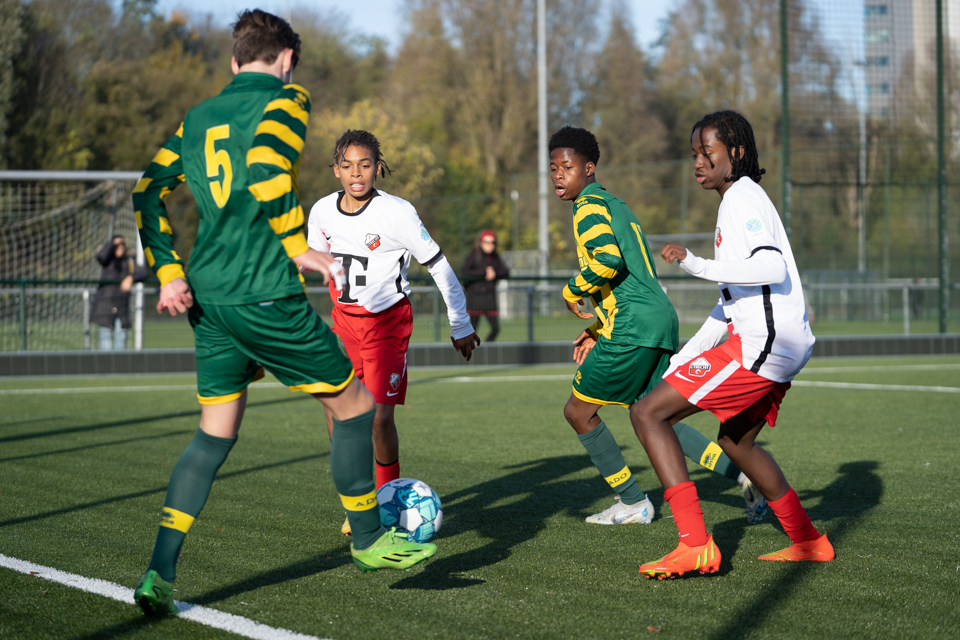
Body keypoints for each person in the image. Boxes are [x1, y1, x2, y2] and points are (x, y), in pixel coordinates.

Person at [130, 11, 435, 616]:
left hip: (209, 298)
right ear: (287, 58)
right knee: (355, 406)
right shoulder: (287, 100)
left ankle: (158, 573)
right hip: (263, 291)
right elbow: (270, 170)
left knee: (213, 433)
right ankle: (371, 539)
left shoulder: (198, 117)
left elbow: (146, 189)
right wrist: (299, 246)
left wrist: (168, 270)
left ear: (234, 58)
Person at [630, 110, 833, 580]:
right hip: (773, 343)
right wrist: (687, 354)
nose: (698, 162)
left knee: (648, 413)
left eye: (708, 152)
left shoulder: (742, 198)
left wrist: (697, 263)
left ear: (736, 152)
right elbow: (730, 304)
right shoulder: (735, 201)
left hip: (765, 344)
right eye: (695, 153)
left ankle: (696, 545)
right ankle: (808, 541)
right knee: (736, 442)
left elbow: (771, 270)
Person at [549, 126, 765, 527]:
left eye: (567, 166)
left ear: (589, 168)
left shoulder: (587, 207)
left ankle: (632, 501)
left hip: (633, 325)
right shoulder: (617, 205)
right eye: (553, 169)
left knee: (578, 412)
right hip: (657, 319)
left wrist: (571, 290)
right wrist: (598, 326)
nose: (559, 175)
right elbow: (632, 275)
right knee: (654, 415)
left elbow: (608, 261)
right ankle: (744, 475)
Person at [307, 129, 480, 535]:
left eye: (365, 165)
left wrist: (461, 323)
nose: (356, 173)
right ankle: (357, 501)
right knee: (338, 411)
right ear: (335, 170)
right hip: (344, 324)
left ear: (377, 168)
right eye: (347, 165)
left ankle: (386, 501)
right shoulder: (320, 212)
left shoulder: (398, 213)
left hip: (387, 325)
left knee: (379, 418)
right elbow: (310, 261)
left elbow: (438, 265)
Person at [92, 235, 150, 350]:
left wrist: (130, 278)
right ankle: (108, 366)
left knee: (121, 338)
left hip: (121, 306)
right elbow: (101, 256)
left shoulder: (128, 260)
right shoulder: (107, 260)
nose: (120, 247)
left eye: (122, 245)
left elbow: (143, 272)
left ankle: (119, 366)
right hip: (105, 305)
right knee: (106, 340)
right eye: (117, 245)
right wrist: (112, 243)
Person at [461, 230, 509, 342]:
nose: (489, 245)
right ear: (480, 242)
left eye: (492, 242)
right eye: (486, 242)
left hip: (489, 298)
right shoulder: (474, 255)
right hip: (475, 297)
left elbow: (506, 271)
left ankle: (486, 349)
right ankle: (470, 354)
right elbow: (465, 272)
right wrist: (484, 272)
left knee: (495, 329)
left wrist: (494, 272)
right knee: (471, 330)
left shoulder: (495, 257)